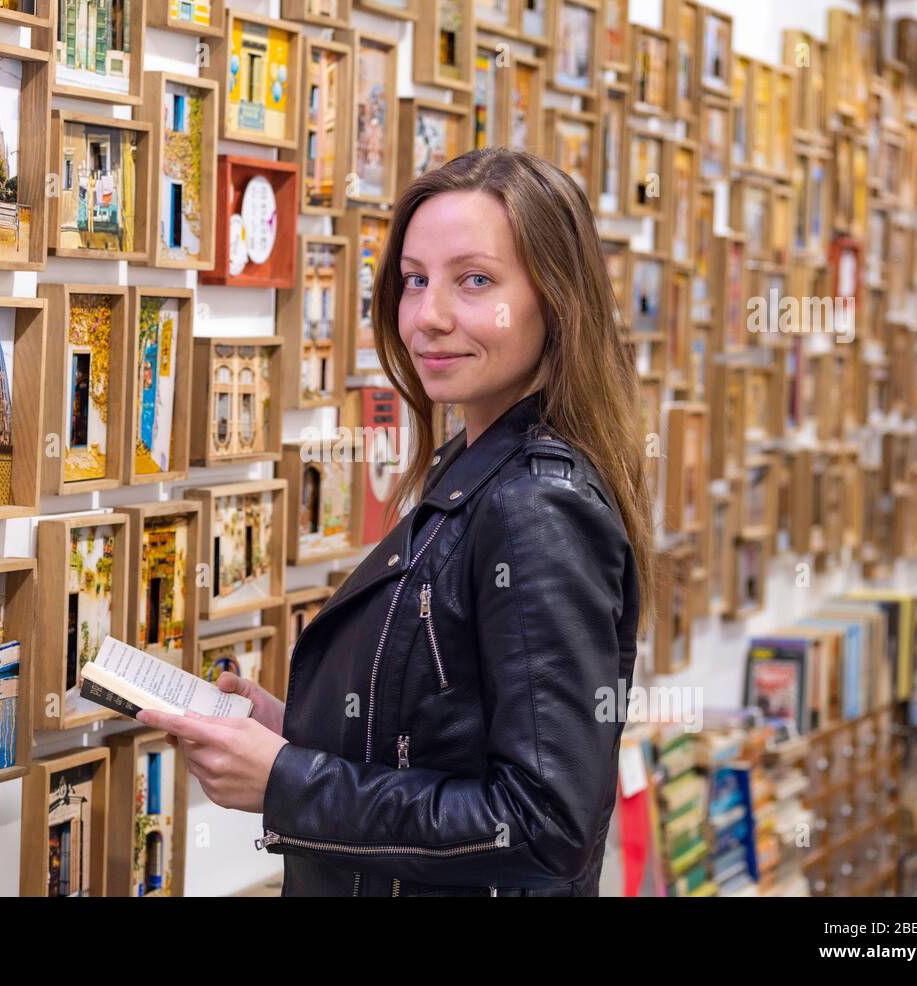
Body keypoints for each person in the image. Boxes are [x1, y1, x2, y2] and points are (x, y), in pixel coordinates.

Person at [139, 147, 655, 896]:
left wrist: (290, 781)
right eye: (414, 281)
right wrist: (295, 735)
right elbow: (449, 733)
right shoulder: (475, 466)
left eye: (474, 281)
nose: (428, 317)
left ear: (556, 297)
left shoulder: (536, 505)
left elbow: (544, 826)